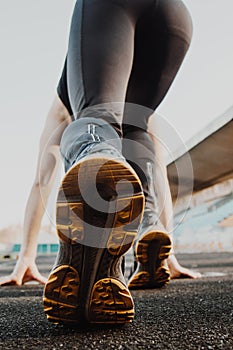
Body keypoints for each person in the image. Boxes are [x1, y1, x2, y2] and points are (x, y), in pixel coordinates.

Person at [0, 0, 200, 324]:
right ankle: (147, 224)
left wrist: (26, 255)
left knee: (96, 121)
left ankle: (96, 153)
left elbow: (42, 178)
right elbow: (156, 165)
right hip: (176, 20)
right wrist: (167, 242)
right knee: (134, 130)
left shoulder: (62, 101)